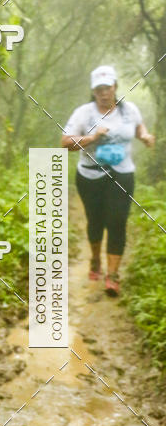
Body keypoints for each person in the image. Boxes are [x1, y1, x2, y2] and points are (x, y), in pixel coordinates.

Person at [61, 64, 154, 296]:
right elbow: (65, 143)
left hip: (122, 173)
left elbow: (139, 127)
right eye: (99, 89)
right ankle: (94, 259)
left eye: (108, 87)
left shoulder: (129, 110)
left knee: (117, 222)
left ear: (115, 87)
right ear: (93, 91)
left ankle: (112, 275)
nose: (104, 93)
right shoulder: (84, 112)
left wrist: (144, 136)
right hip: (90, 175)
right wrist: (92, 136)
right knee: (95, 221)